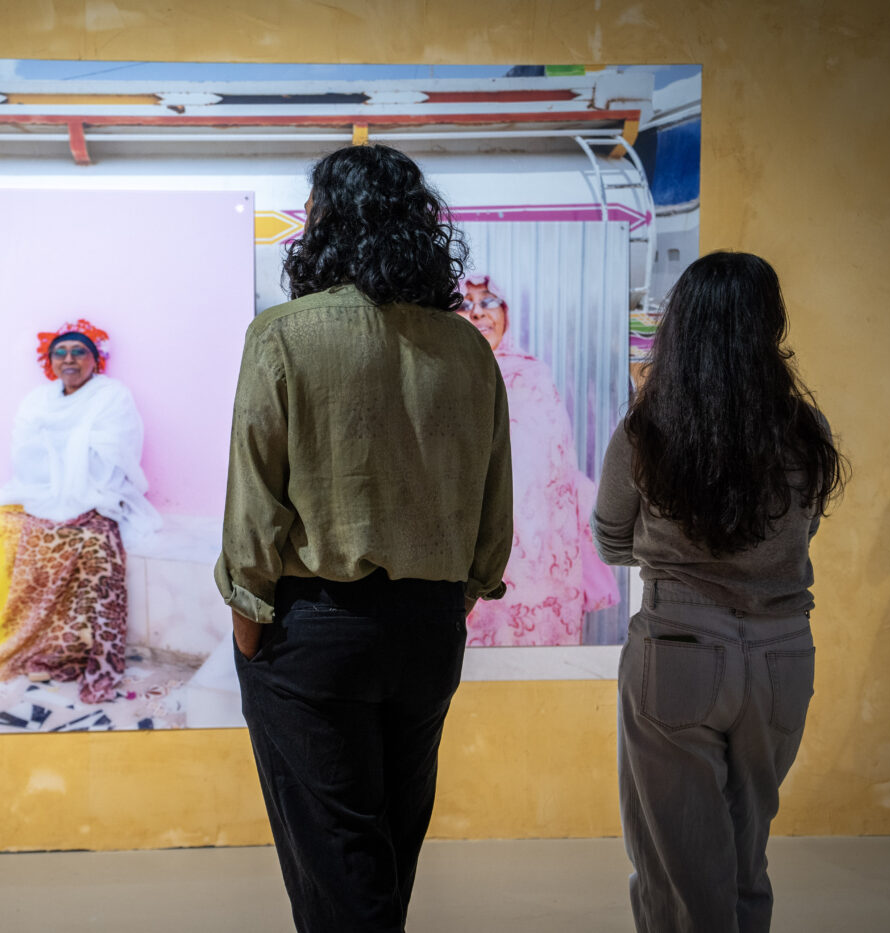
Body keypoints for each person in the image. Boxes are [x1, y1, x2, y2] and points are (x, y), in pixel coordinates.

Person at [215, 144, 513, 933]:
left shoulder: (282, 335)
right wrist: (457, 597)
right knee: (386, 851)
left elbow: (254, 498)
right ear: (418, 227)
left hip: (312, 630)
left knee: (337, 864)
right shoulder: (466, 347)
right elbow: (494, 505)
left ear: (322, 225)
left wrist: (249, 622)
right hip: (428, 629)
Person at [591, 252, 847, 933]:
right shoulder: (805, 432)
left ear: (683, 326)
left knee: (677, 867)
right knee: (743, 858)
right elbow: (803, 532)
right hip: (782, 655)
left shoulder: (647, 428)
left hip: (676, 649)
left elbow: (610, 537)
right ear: (769, 326)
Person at [0, 319, 161, 703]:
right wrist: (65, 446)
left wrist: (64, 444)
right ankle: (8, 635)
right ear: (49, 362)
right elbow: (25, 454)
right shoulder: (37, 400)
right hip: (41, 493)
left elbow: (118, 451)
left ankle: (69, 649)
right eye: (60, 353)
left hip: (96, 493)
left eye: (79, 351)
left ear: (94, 360)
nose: (69, 359)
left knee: (94, 543)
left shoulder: (113, 396)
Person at [459, 275, 619, 645]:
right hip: (471, 550)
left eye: (488, 301)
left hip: (537, 556)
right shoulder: (447, 377)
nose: (478, 313)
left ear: (506, 312)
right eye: (465, 304)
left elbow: (556, 474)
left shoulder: (534, 376)